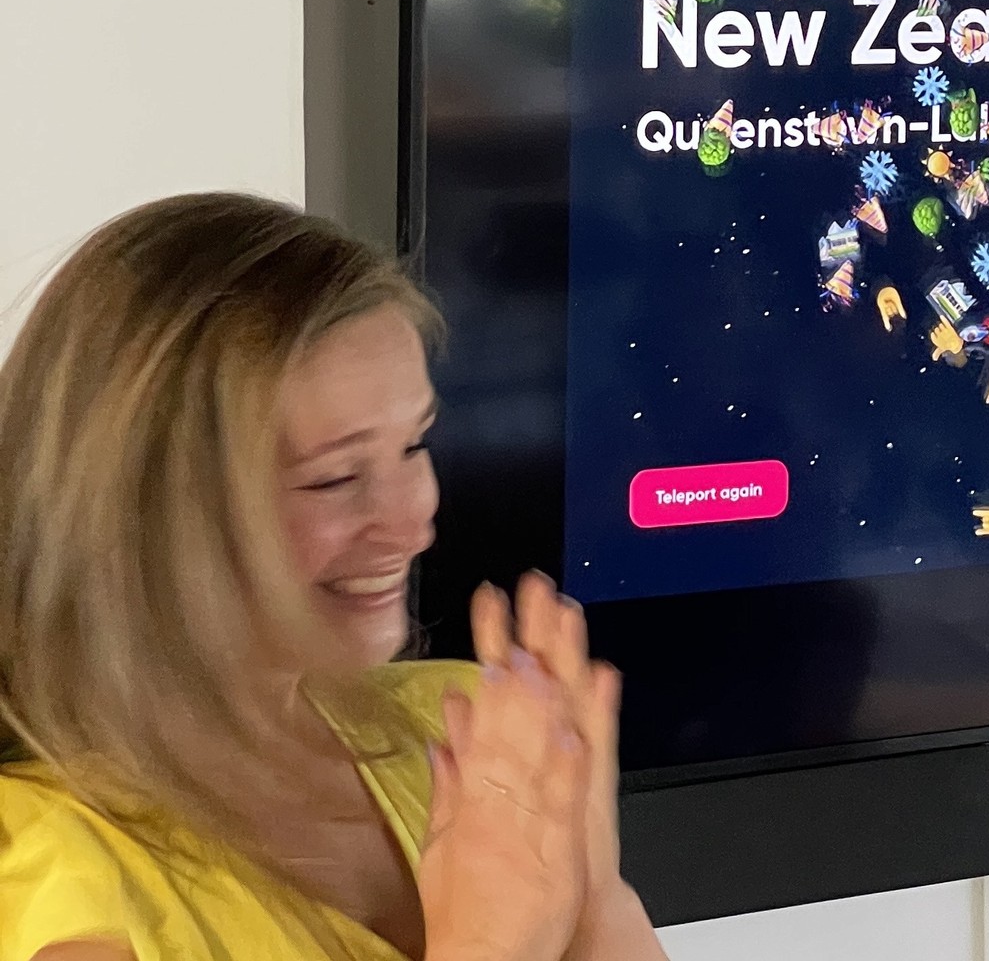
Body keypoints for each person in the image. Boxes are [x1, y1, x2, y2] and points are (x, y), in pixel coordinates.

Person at [0, 193, 667, 961]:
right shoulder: (51, 864)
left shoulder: (461, 729)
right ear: (144, 515)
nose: (414, 523)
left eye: (415, 446)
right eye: (333, 479)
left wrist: (591, 888)